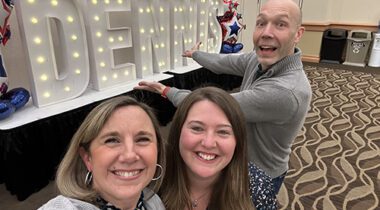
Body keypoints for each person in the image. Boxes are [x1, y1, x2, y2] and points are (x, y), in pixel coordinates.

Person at [135, 0, 312, 194]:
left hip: (259, 175)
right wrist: (196, 55)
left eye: (280, 24)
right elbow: (225, 62)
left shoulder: (286, 91)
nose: (266, 33)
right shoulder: (259, 59)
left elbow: (207, 108)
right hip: (240, 162)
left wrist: (166, 91)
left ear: (298, 34)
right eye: (261, 23)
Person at [158, 87, 277, 210]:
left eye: (223, 132)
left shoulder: (257, 186)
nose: (209, 143)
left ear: (238, 140)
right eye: (197, 128)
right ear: (178, 132)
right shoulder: (152, 178)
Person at [38, 96, 166, 210]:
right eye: (112, 140)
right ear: (87, 158)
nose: (129, 156)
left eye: (142, 139)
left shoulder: (152, 201)